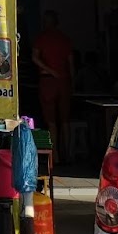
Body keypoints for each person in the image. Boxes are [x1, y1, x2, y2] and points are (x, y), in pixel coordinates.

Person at [30, 11, 75, 155]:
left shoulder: (41, 38)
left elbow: (35, 58)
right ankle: (67, 153)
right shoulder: (64, 39)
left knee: (51, 121)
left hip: (47, 81)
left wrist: (48, 70)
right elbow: (71, 63)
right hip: (64, 81)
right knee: (65, 120)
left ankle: (54, 154)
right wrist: (71, 81)